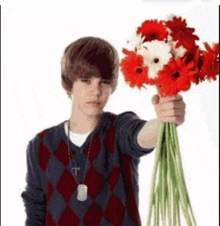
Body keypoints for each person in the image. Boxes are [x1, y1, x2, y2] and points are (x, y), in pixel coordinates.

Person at [21, 36, 185, 226]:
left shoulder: (119, 129)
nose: (96, 91)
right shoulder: (41, 145)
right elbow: (36, 212)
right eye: (86, 80)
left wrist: (164, 120)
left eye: (104, 82)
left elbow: (140, 136)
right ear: (69, 84)